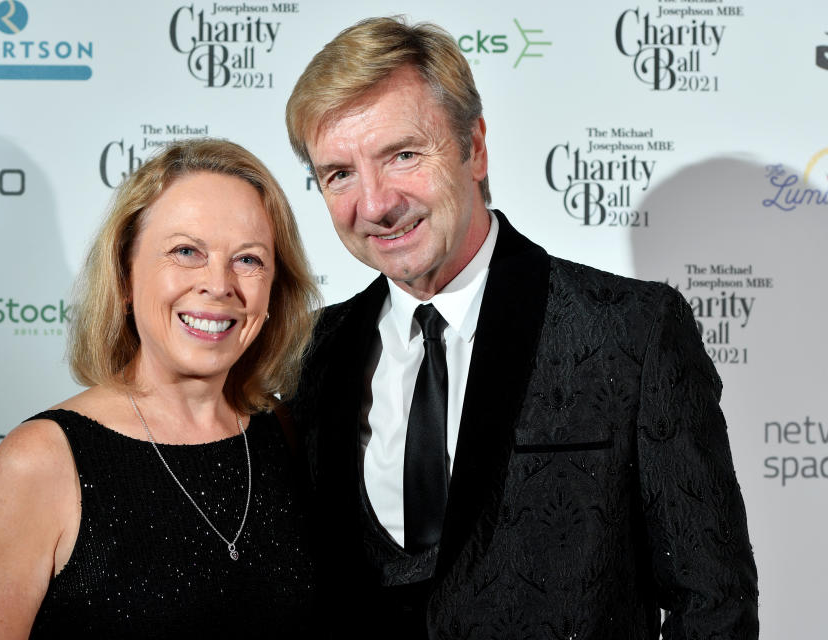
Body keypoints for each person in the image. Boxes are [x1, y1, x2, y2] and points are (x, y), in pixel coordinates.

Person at [285, 17, 758, 639]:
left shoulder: (632, 334)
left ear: (474, 148)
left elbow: (715, 607)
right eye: (340, 173)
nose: (374, 205)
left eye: (402, 155)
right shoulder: (309, 353)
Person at [0, 139, 320, 639]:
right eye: (186, 252)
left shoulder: (288, 434)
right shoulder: (40, 463)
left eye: (248, 260)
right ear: (124, 277)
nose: (219, 284)